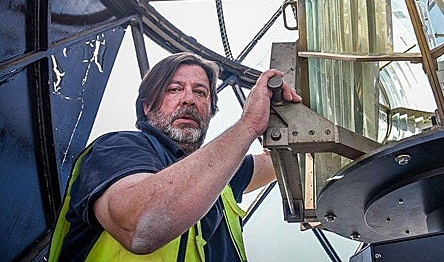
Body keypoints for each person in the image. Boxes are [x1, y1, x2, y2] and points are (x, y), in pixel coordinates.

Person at [48, 52, 302, 261]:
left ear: (211, 110)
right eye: (174, 89)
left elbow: (291, 158)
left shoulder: (224, 178)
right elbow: (141, 226)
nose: (188, 99)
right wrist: (248, 125)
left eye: (201, 92)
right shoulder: (118, 149)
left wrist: (289, 111)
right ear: (148, 106)